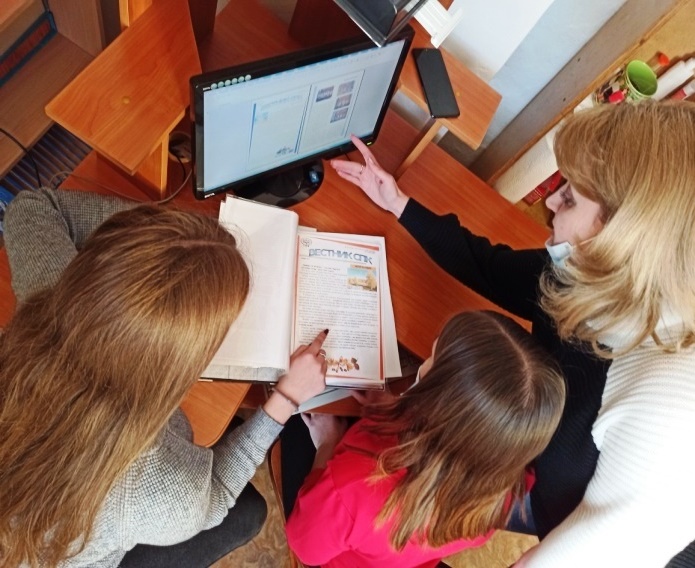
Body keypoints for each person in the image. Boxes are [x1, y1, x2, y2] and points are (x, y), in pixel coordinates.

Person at [330, 100, 695, 567]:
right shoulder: (586, 270)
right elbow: (488, 266)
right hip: (524, 458)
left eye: (570, 198)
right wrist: (399, 203)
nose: (550, 203)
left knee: (396, 510)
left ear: (621, 234)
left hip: (558, 509)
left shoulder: (664, 408)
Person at [0, 188, 328, 568]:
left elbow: (32, 207)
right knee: (248, 511)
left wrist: (163, 243)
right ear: (176, 363)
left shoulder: (51, 292)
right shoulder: (161, 488)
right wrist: (285, 400)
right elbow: (218, 491)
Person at [284, 310, 566, 568]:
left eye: (431, 357)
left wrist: (327, 443)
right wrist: (393, 406)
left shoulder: (352, 486)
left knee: (296, 426)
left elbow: (305, 548)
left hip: (340, 546)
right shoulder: (505, 487)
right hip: (392, 548)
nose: (426, 359)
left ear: (434, 403)